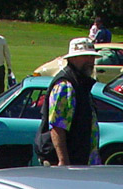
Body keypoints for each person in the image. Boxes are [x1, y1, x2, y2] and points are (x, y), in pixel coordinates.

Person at [41, 37, 100, 166]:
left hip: (82, 161)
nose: (90, 60)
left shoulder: (82, 83)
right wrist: (63, 161)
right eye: (85, 56)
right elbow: (57, 127)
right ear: (72, 59)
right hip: (70, 164)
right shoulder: (65, 85)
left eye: (92, 57)